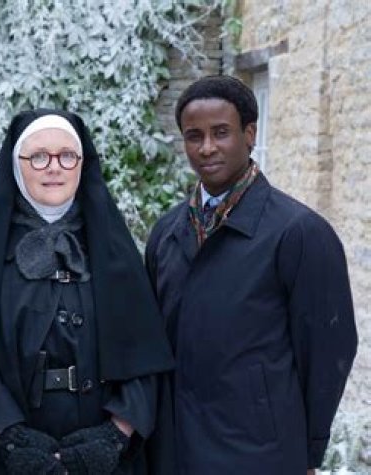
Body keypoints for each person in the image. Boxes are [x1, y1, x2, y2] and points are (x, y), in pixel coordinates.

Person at [0, 109, 175, 474]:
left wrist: (113, 436)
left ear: (82, 164)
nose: (54, 167)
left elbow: (145, 360)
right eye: (38, 156)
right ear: (16, 165)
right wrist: (10, 441)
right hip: (0, 461)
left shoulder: (115, 254)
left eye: (67, 156)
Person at [145, 75, 357, 474]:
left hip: (262, 455)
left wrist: (308, 452)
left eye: (221, 132)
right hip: (176, 453)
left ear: (250, 134)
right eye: (194, 136)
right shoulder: (166, 234)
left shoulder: (300, 233)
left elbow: (327, 354)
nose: (207, 147)